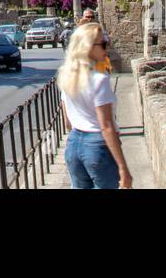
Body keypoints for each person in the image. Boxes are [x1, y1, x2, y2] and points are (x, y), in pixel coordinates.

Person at [57, 22, 132, 189]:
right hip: (97, 145)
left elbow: (67, 122)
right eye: (103, 43)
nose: (107, 48)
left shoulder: (68, 77)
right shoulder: (99, 79)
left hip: (74, 145)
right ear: (88, 47)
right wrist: (123, 168)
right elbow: (106, 126)